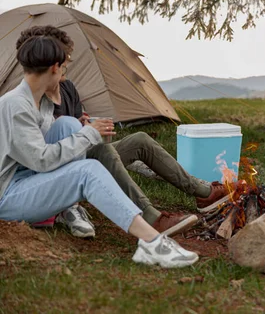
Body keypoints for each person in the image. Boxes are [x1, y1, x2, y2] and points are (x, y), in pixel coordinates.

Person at [0, 26, 198, 268]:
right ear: (54, 67)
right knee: (88, 170)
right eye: (64, 65)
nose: (65, 70)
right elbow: (41, 160)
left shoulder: (38, 101)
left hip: (23, 178)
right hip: (7, 195)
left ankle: (73, 207)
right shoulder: (15, 105)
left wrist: (86, 132)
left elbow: (52, 144)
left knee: (67, 124)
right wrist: (89, 135)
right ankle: (150, 241)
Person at [35, 26, 230, 238]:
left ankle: (204, 194)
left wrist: (85, 124)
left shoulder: (67, 88)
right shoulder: (33, 98)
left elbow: (79, 123)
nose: (68, 64)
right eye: (65, 59)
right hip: (61, 168)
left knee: (140, 140)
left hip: (83, 153)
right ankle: (151, 217)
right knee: (102, 149)